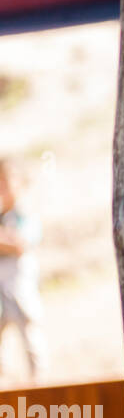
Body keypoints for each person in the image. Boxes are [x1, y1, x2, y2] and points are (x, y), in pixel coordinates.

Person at [0, 158, 48, 380]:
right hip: (2, 293)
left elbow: (22, 243)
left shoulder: (23, 214)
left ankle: (41, 386)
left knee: (31, 340)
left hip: (21, 289)